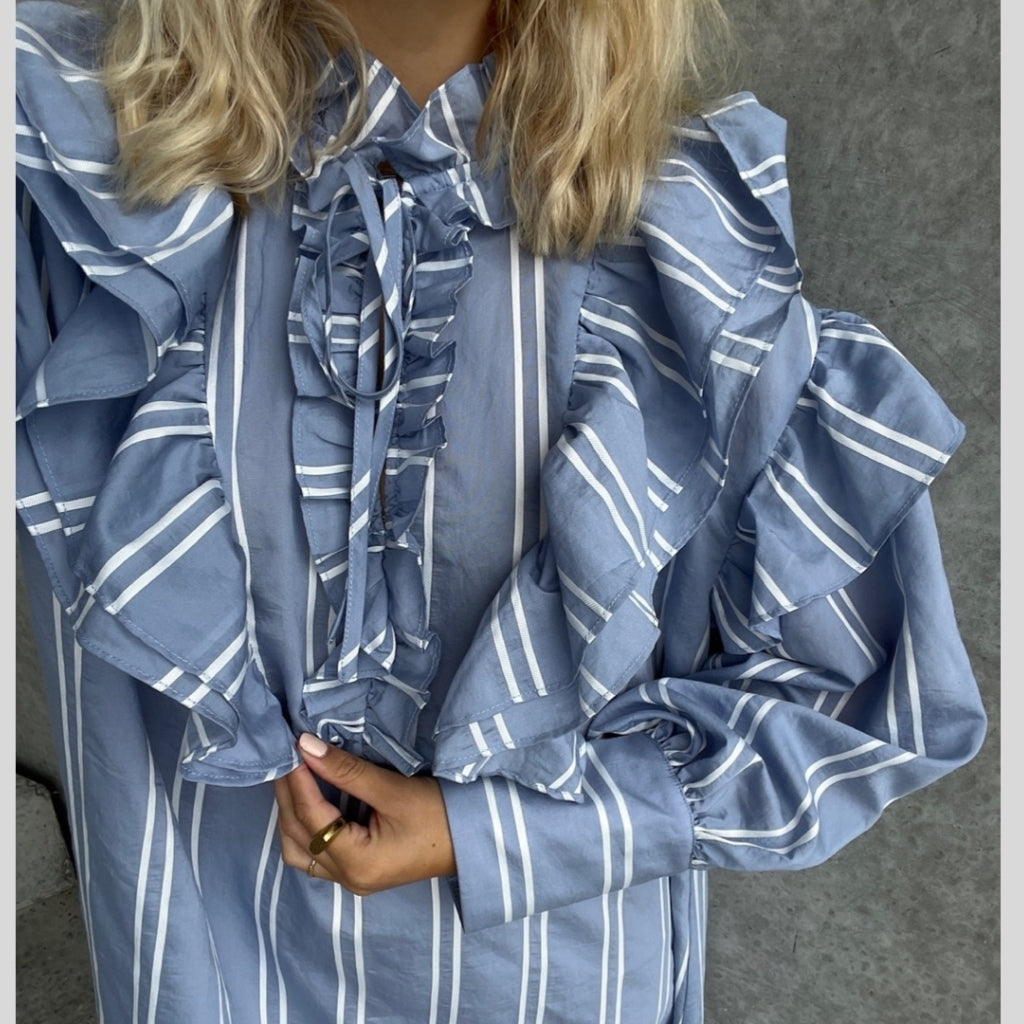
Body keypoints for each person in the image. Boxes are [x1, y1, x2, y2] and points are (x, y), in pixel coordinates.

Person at [15, 0, 988, 1021]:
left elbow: (863, 700)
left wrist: (490, 834)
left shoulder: (681, 249)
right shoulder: (90, 185)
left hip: (557, 983)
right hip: (201, 971)